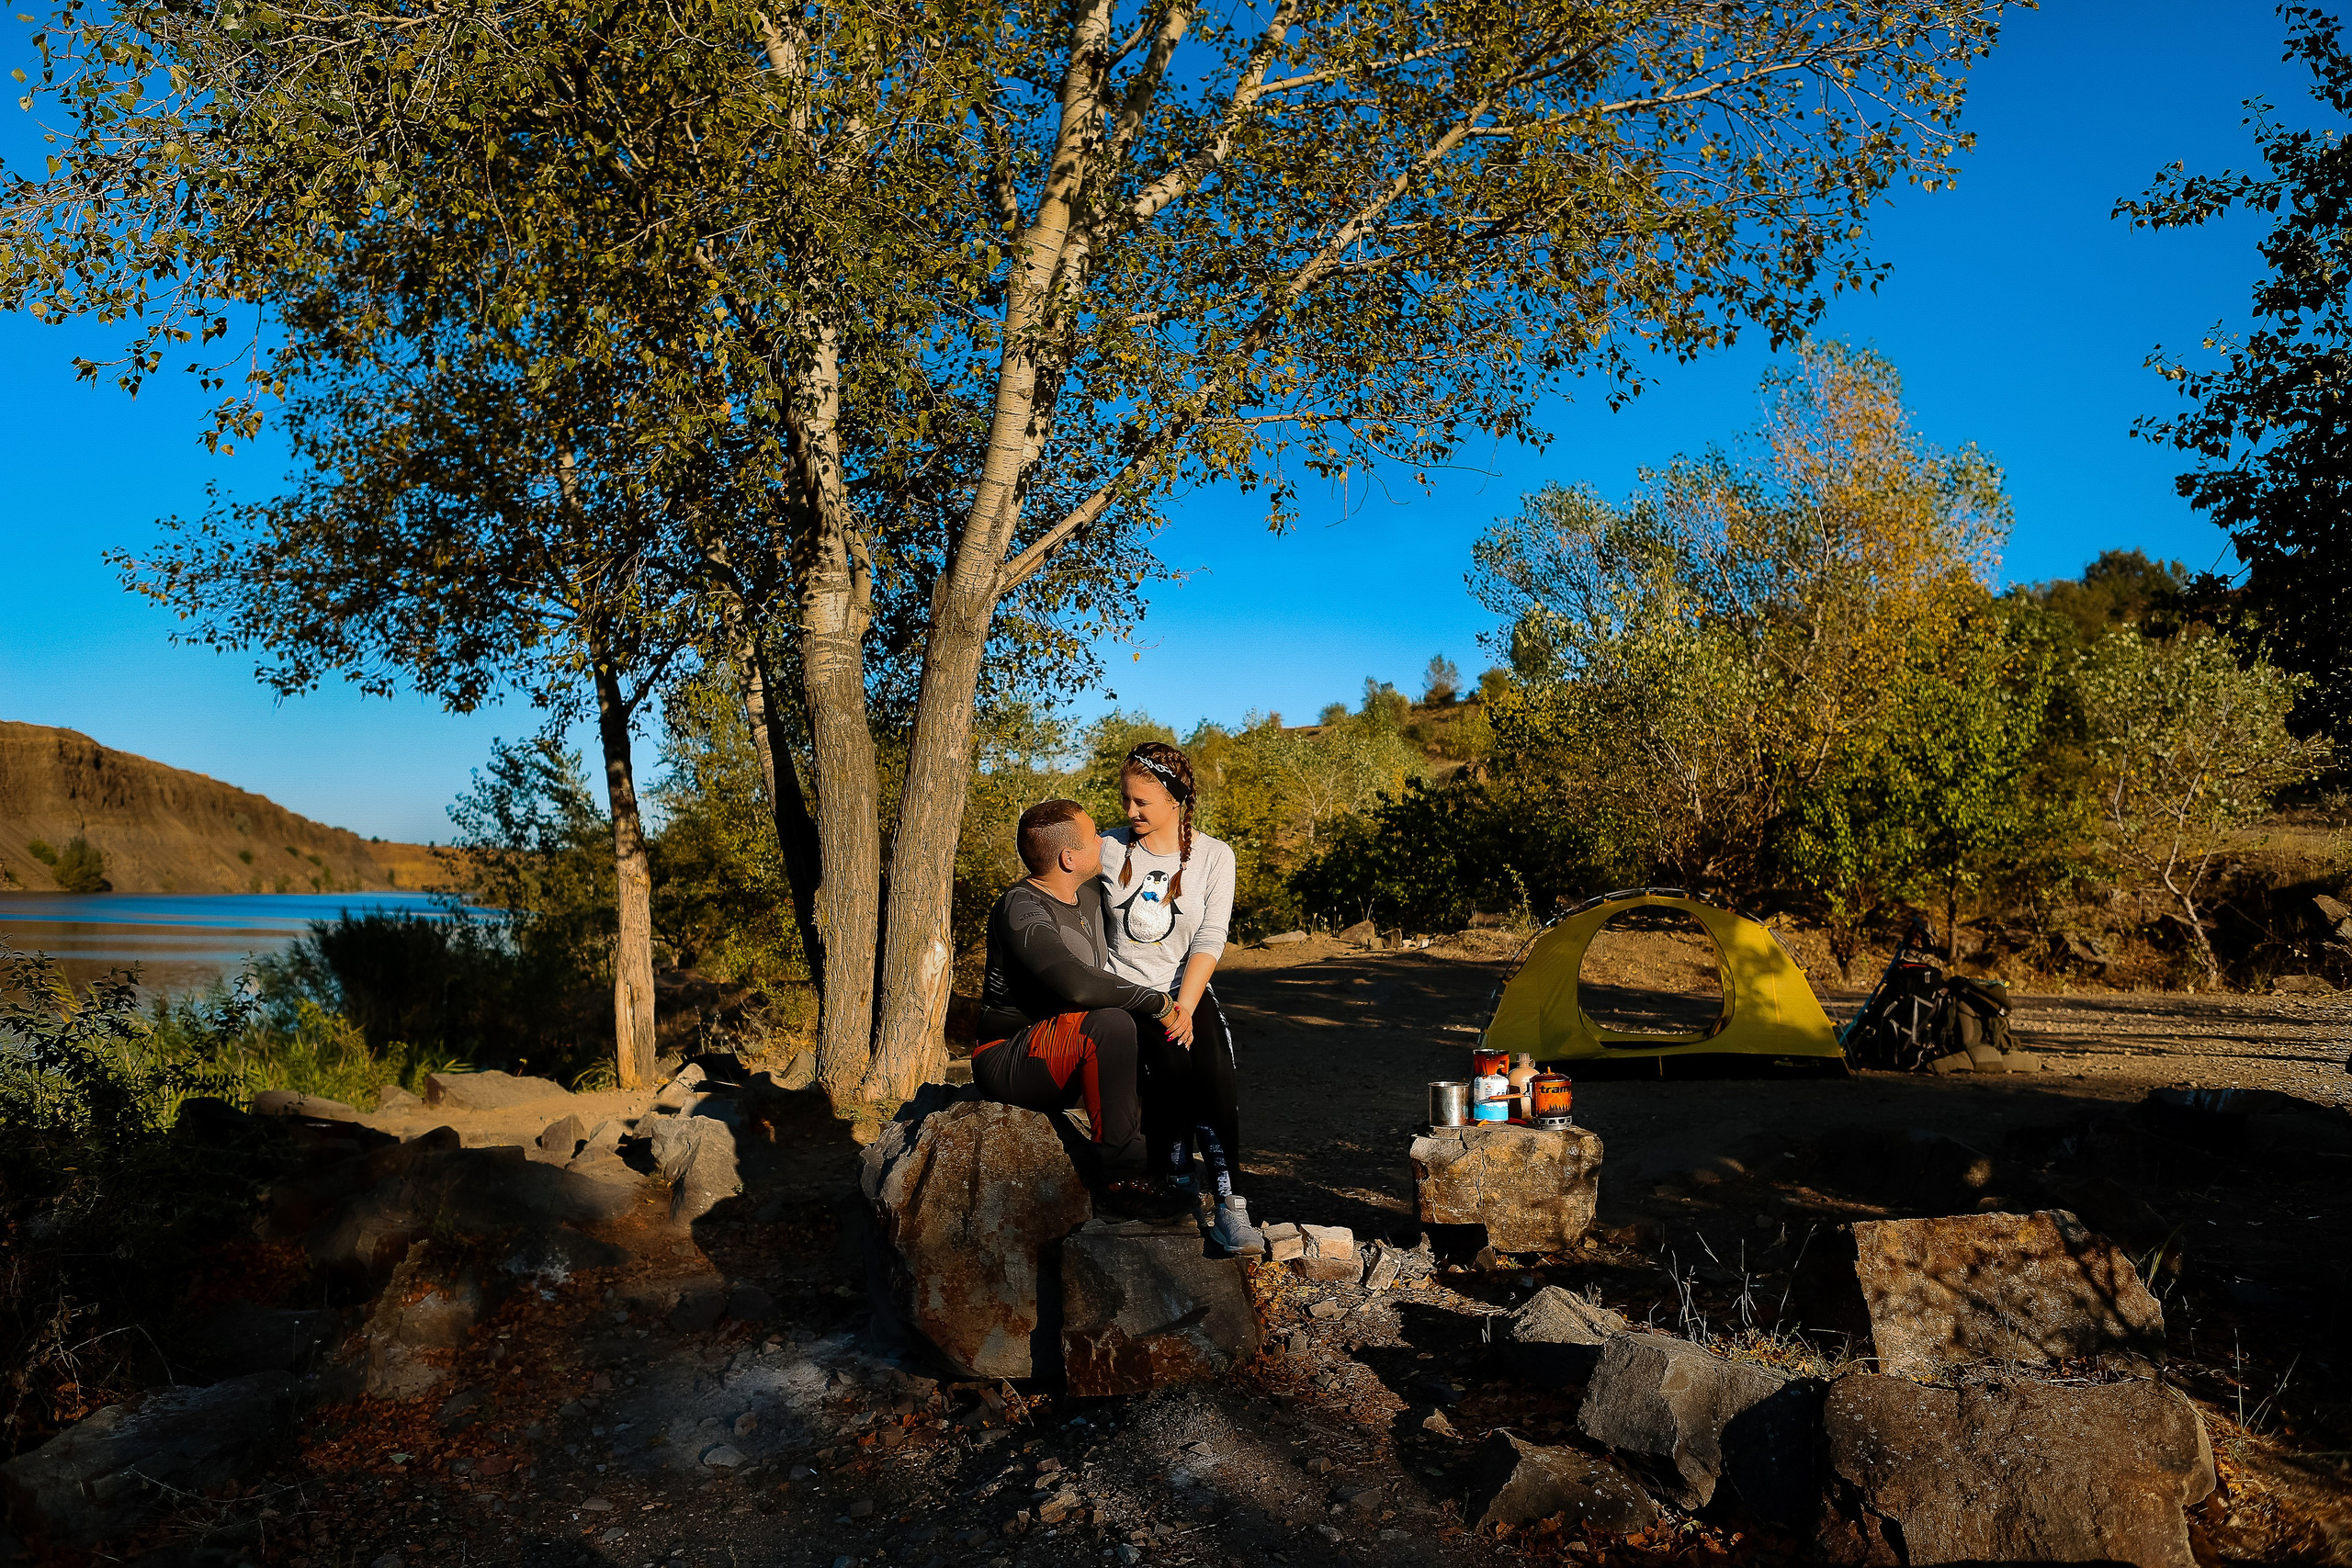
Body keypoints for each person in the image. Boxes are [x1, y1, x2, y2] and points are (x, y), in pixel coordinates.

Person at [972, 796, 1192, 1221]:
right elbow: (1075, 983)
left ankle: (1169, 1168)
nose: (1104, 842)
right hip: (1009, 1058)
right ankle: (1122, 1181)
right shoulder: (1019, 907)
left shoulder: (1089, 891)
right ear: (1068, 857)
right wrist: (1157, 1002)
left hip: (1066, 1046)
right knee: (1110, 1023)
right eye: (1094, 837)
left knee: (1153, 1037)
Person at [1099, 740, 1264, 1256]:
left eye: (1141, 803)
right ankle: (1174, 1180)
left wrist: (1186, 1007)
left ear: (1176, 799)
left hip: (1183, 989)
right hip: (1125, 990)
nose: (1130, 812)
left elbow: (1209, 939)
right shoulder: (1105, 847)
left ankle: (1231, 1206)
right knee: (1172, 1069)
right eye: (1126, 799)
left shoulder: (1215, 857)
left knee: (1215, 1071)